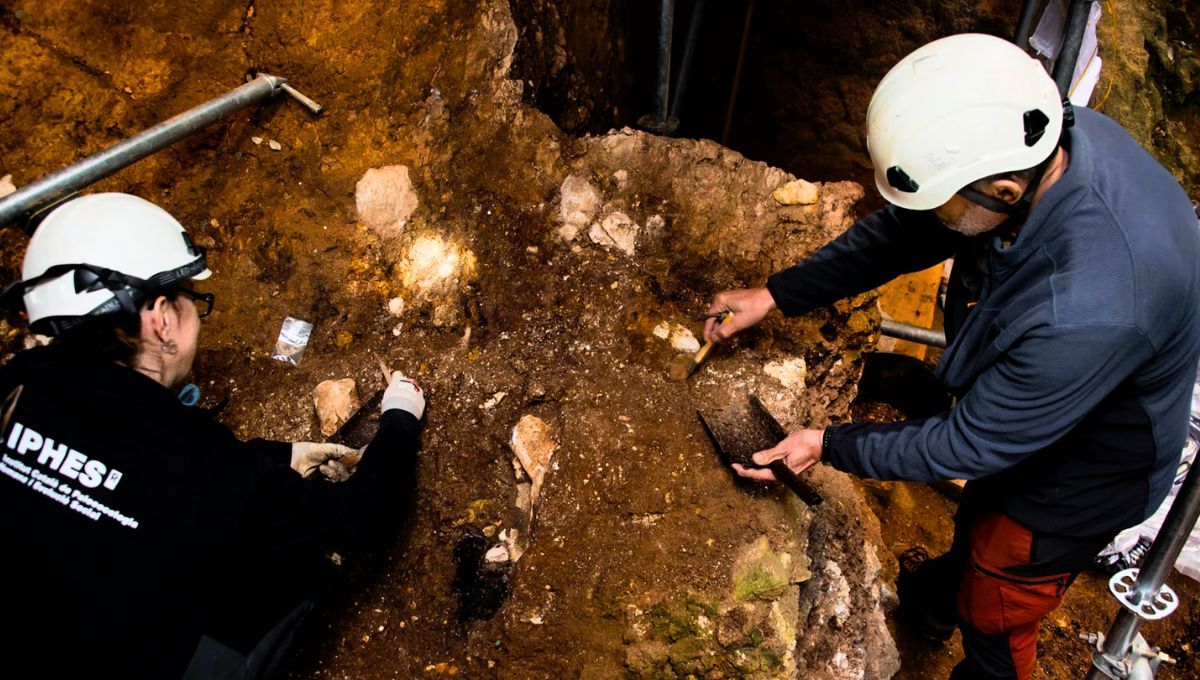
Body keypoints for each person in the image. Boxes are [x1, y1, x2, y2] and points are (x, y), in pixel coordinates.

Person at [704, 34, 1200, 680]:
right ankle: (939, 598)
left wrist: (824, 444)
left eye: (943, 202)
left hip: (1094, 465)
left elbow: (964, 444)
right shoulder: (1039, 145)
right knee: (981, 522)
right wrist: (775, 294)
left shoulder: (1084, 308)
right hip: (1060, 383)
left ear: (1000, 189)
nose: (932, 217)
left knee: (1001, 586)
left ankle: (978, 640)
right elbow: (904, 234)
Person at [0, 193, 427, 678]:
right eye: (191, 300)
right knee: (296, 570)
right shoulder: (197, 468)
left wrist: (280, 454)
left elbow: (124, 468)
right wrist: (400, 418)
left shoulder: (13, 386)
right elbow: (359, 520)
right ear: (160, 317)